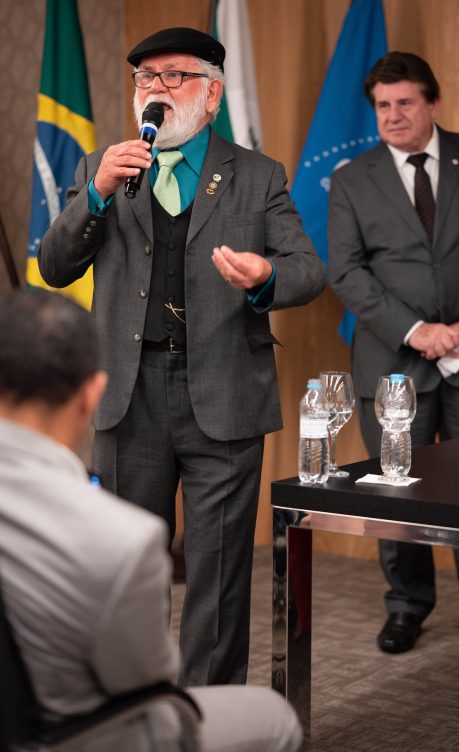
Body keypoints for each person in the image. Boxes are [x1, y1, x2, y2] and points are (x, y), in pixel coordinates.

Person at [38, 27, 327, 687]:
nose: (157, 89)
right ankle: (132, 704)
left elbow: (308, 269)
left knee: (218, 575)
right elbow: (54, 266)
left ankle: (211, 714)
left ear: (213, 94)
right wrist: (97, 194)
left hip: (224, 394)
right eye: (146, 78)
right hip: (127, 395)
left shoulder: (258, 175)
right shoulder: (102, 166)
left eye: (174, 76)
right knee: (127, 569)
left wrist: (265, 276)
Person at [0, 290, 302, 752]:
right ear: (92, 396)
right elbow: (149, 687)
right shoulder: (123, 541)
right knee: (275, 716)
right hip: (75, 735)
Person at [328, 51, 459, 664]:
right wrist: (416, 331)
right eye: (382, 106)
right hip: (393, 363)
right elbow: (346, 271)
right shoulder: (351, 178)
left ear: (433, 103)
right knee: (397, 493)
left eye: (405, 103)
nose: (392, 115)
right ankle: (407, 606)